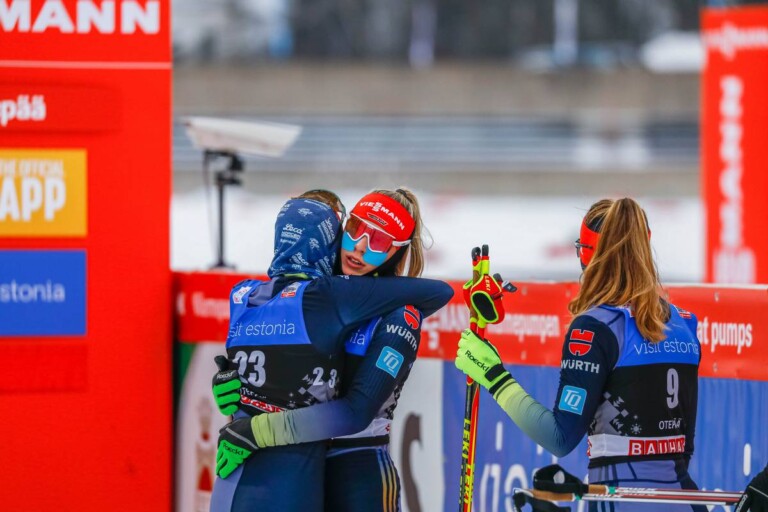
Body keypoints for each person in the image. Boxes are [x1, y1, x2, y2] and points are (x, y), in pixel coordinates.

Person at [455, 197, 704, 511]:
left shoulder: (593, 329)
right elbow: (685, 447)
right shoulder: (685, 323)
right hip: (686, 500)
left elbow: (560, 438)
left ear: (587, 256)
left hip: (620, 500)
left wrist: (493, 375)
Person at [209, 194, 453, 512]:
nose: (361, 246)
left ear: (397, 250)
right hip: (307, 464)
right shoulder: (322, 294)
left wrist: (258, 429)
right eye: (354, 229)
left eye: (379, 240)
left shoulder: (399, 313)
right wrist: (235, 380)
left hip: (358, 468)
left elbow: (356, 411)